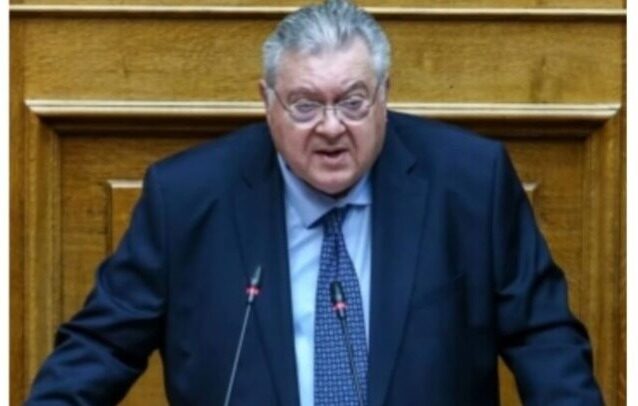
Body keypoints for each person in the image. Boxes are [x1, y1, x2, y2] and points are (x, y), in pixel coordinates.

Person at [26, 0, 603, 405]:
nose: (331, 128)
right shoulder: (187, 197)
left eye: (352, 102)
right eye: (305, 105)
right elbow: (102, 347)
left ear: (384, 96)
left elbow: (545, 339)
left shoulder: (470, 183)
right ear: (268, 102)